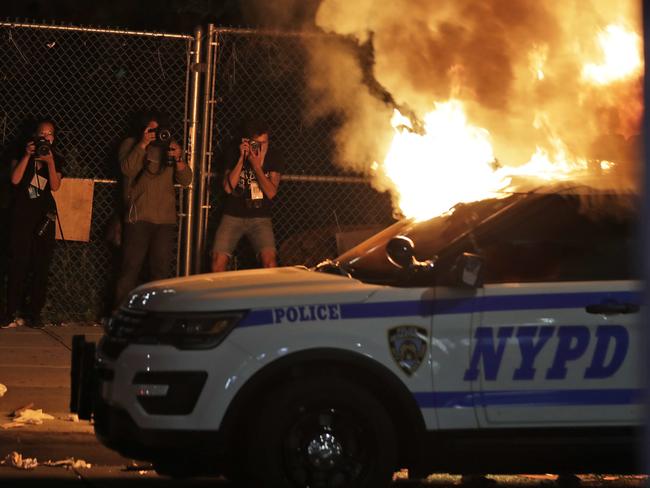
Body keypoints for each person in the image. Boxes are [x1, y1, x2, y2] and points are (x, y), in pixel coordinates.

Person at [113, 112, 192, 309]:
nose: (155, 134)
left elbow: (186, 180)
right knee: (130, 269)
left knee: (160, 272)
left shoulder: (169, 146)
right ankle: (119, 313)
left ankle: (156, 315)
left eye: (159, 130)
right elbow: (127, 169)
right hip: (138, 217)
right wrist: (142, 144)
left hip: (164, 221)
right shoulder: (131, 144)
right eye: (151, 130)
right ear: (143, 129)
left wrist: (179, 158)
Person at [1, 119, 64, 328]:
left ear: (54, 138)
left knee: (41, 266)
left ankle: (34, 313)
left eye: (50, 134)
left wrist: (50, 162)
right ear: (34, 136)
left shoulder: (56, 158)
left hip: (43, 218)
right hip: (21, 218)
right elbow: (15, 180)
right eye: (42, 134)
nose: (46, 137)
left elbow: (55, 186)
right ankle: (10, 312)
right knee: (18, 265)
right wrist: (28, 155)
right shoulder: (21, 154)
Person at [211, 119, 284, 272]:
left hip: (260, 217)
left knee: (270, 263)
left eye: (265, 142)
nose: (262, 147)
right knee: (217, 262)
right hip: (233, 214)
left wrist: (257, 167)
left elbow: (271, 192)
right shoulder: (234, 152)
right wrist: (241, 160)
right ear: (247, 141)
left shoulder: (274, 155)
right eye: (257, 143)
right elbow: (227, 188)